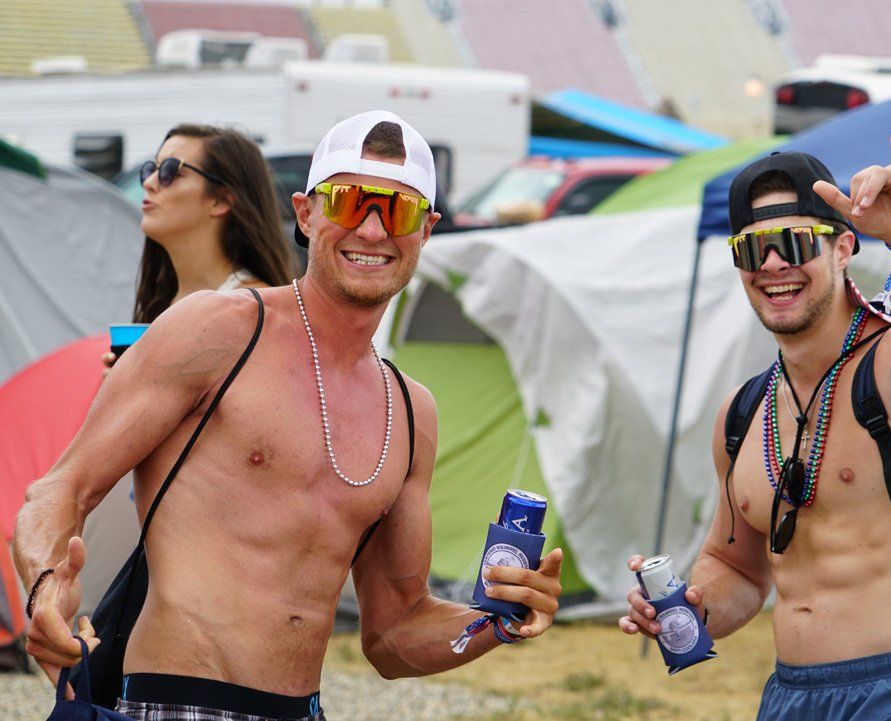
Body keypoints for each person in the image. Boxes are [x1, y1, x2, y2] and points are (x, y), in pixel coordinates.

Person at [17, 110, 563, 720]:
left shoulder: (411, 412)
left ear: (428, 229)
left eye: (400, 209)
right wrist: (44, 587)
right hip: (175, 703)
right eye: (351, 202)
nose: (375, 229)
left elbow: (394, 634)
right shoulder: (219, 330)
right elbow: (59, 489)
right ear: (306, 213)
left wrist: (502, 621)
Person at [619, 136, 891, 720]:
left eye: (794, 241)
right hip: (789, 697)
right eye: (753, 250)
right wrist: (691, 610)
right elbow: (738, 569)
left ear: (843, 248)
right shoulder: (742, 412)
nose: (774, 265)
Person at [102, 123, 296, 370]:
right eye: (151, 168)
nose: (149, 182)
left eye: (170, 171)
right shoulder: (161, 299)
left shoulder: (253, 312)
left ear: (221, 200)